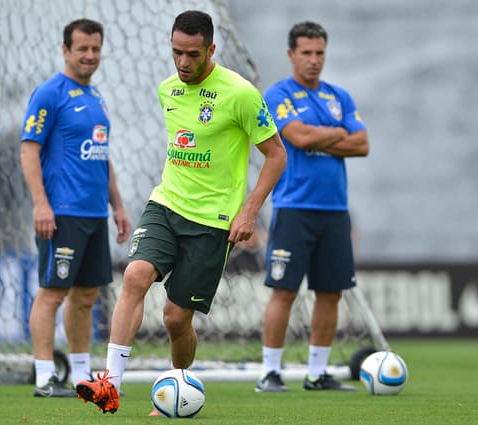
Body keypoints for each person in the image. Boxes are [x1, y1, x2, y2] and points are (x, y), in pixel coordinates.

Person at [76, 10, 287, 414]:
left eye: (192, 54)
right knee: (136, 275)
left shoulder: (240, 94)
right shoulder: (168, 90)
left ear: (211, 49)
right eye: (176, 53)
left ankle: (177, 387)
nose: (183, 63)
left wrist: (248, 212)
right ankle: (110, 385)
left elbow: (276, 156)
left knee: (175, 318)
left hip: (214, 222)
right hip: (166, 203)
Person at [255, 21, 369, 393]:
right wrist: (338, 133)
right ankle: (270, 371)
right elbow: (298, 138)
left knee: (331, 292)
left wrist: (322, 135)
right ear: (291, 55)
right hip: (294, 207)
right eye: (306, 53)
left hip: (335, 209)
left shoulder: (340, 96)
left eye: (319, 53)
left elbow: (363, 144)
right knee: (284, 289)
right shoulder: (278, 95)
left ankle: (317, 372)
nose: (314, 60)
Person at [20, 18, 131, 398]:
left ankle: (83, 376)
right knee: (52, 293)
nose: (89, 55)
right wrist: (41, 204)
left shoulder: (96, 97)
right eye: (82, 48)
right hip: (61, 213)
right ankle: (44, 377)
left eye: (95, 48)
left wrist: (118, 206)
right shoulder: (50, 93)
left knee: (86, 296)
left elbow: (102, 157)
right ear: (65, 50)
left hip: (93, 215)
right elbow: (29, 149)